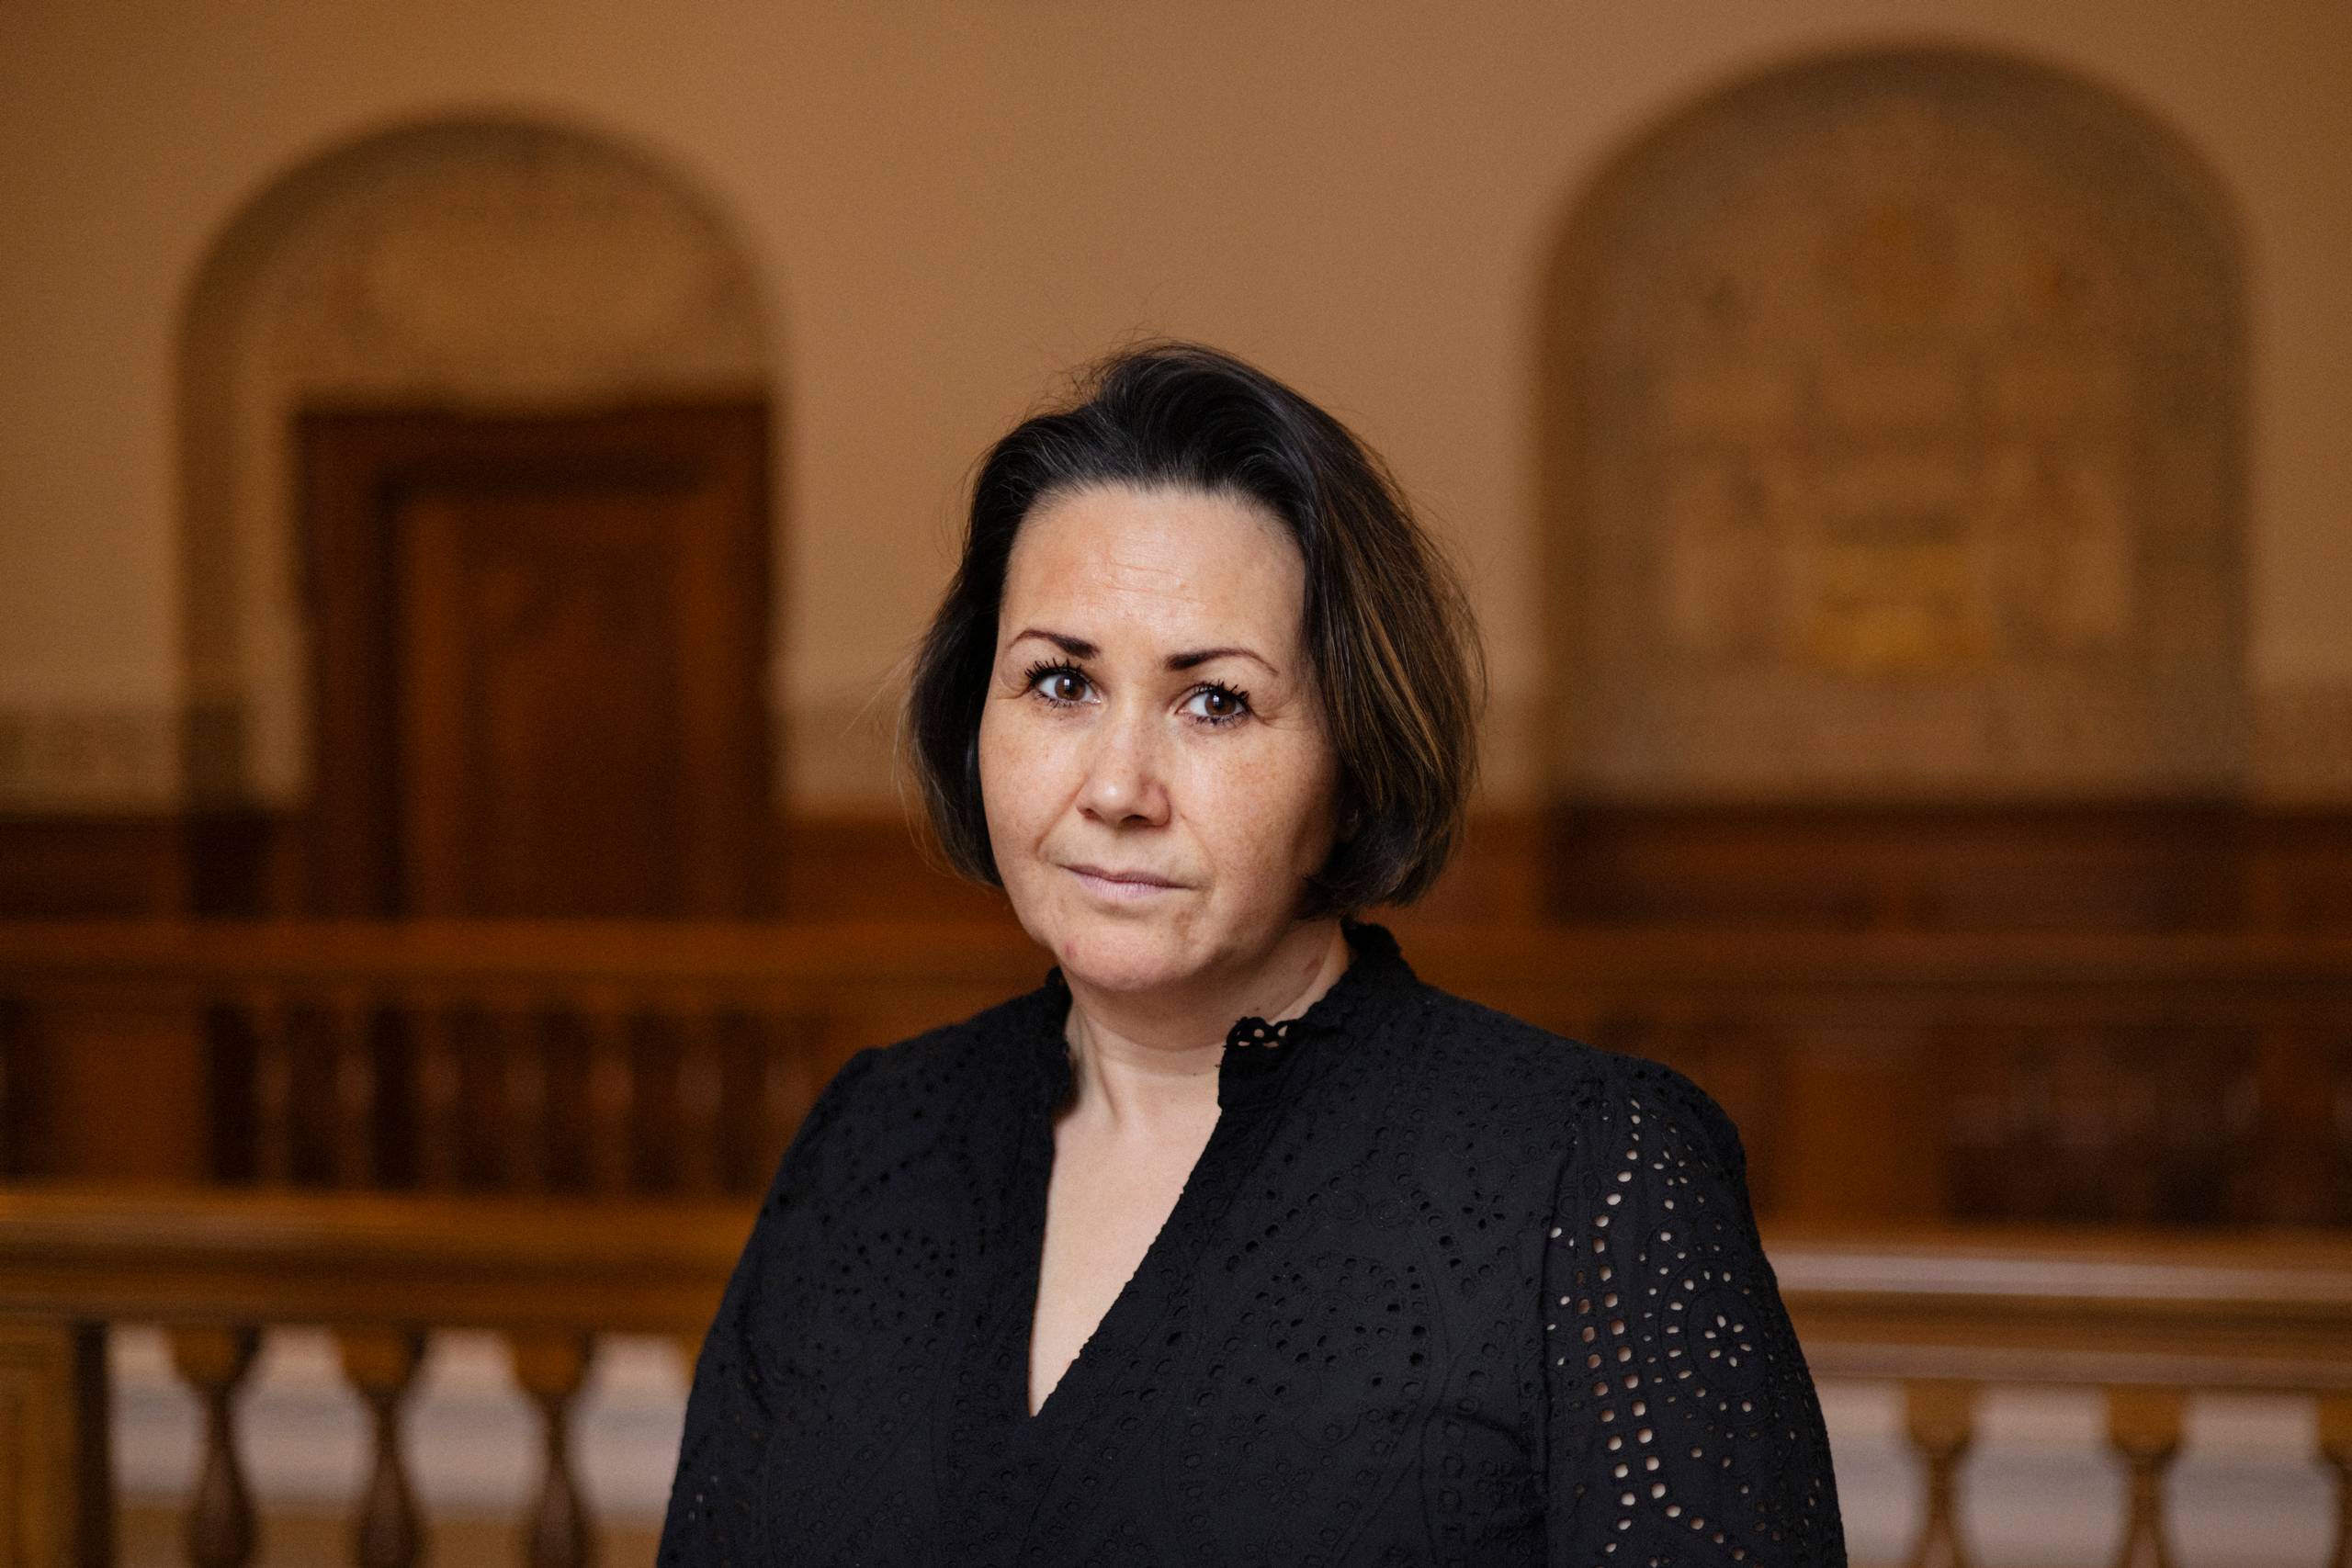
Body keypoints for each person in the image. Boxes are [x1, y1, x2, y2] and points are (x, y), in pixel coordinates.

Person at [658, 343, 1846, 1565]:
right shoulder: (868, 1140)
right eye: (1060, 683)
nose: (1117, 788)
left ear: (1355, 762)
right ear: (976, 717)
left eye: (1215, 701)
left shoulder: (1593, 1174)